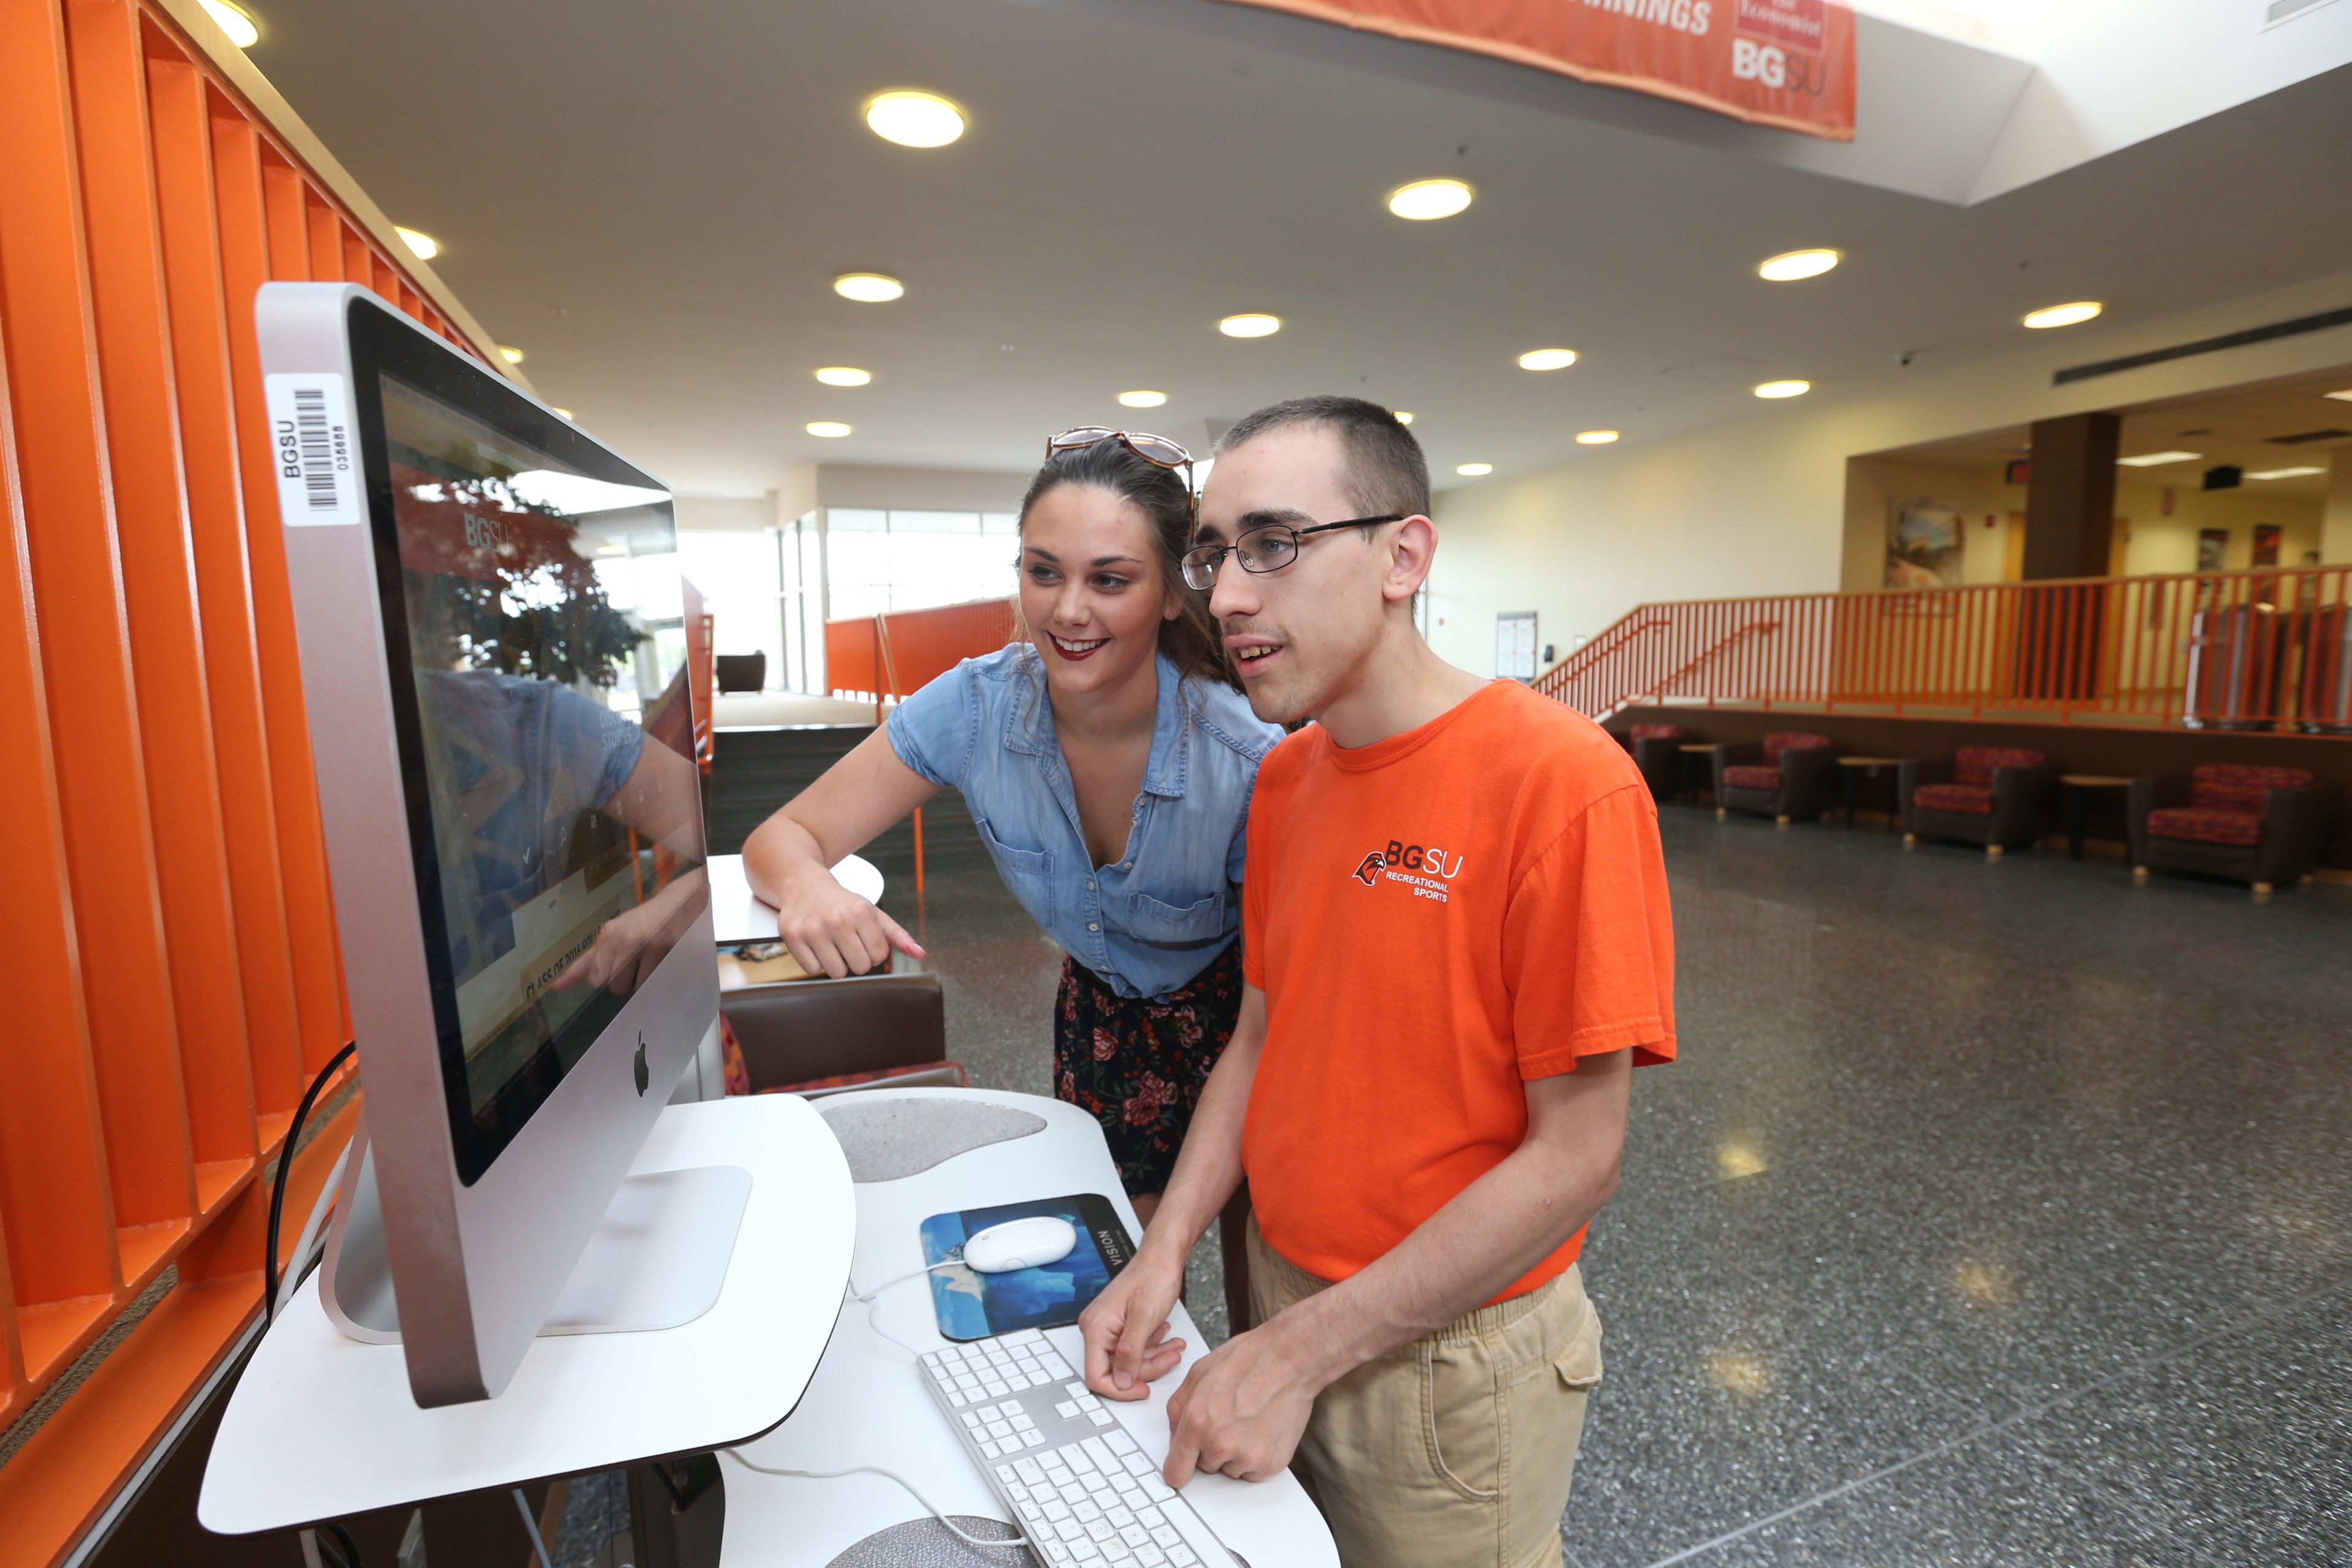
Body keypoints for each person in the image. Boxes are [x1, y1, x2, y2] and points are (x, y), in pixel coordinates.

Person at [1076, 396, 1676, 1568]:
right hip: (1282, 1293)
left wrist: (1303, 1350)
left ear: (1404, 554)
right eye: (1213, 554)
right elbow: (1260, 1035)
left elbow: (1577, 1156)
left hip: (1445, 1362)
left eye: (1276, 544)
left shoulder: (1562, 783)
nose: (1229, 595)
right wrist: (1167, 1253)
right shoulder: (1291, 780)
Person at [742, 429, 1284, 1224]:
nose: (1068, 611)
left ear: (1172, 594)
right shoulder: (976, 707)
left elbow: (1287, 998)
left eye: (1110, 579)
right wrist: (806, 887)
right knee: (1107, 1247)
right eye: (1043, 573)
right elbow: (783, 835)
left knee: (1250, 1245)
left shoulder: (1243, 759)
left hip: (1246, 1020)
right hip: (1100, 1012)